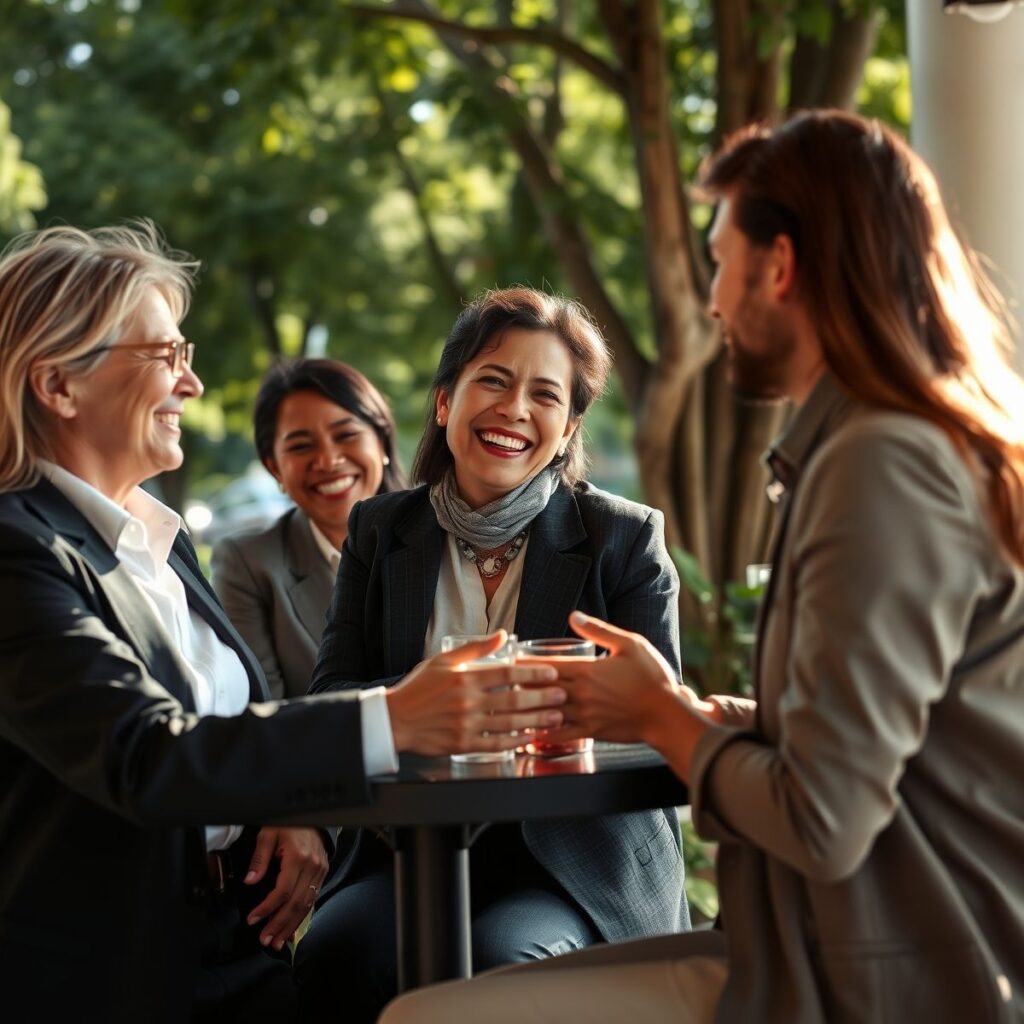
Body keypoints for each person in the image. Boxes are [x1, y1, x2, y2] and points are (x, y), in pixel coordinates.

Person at [379, 111, 1024, 1024]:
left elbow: (824, 821)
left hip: (887, 974)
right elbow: (915, 751)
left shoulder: (882, 463)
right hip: (841, 941)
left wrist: (661, 714)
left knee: (425, 1018)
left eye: (719, 262)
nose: (711, 301)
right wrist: (740, 721)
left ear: (780, 266)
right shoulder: (892, 446)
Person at [0, 222, 568, 1023]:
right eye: (164, 356)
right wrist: (398, 715)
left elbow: (228, 729)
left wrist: (287, 810)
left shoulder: (158, 539)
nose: (191, 385)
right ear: (58, 385)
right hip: (117, 975)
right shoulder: (16, 553)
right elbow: (145, 755)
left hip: (243, 952)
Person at [303, 286, 689, 1021]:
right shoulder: (380, 532)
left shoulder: (625, 539)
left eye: (545, 394)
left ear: (569, 425)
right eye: (493, 380)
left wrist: (478, 706)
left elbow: (654, 719)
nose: (514, 410)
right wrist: (475, 696)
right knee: (338, 953)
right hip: (406, 851)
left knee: (507, 966)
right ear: (445, 401)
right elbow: (334, 695)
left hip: (573, 861)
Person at [211, 358, 408, 699]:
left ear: (382, 442)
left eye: (346, 434)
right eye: (301, 446)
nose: (328, 461)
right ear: (275, 469)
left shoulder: (447, 533)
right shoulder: (247, 564)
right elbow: (263, 717)